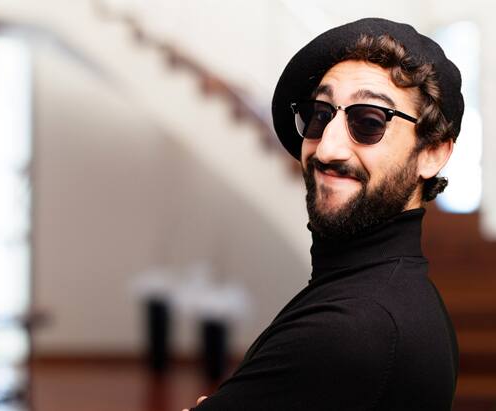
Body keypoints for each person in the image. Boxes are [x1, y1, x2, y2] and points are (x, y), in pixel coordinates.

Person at [185, 17, 463, 411]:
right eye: (320, 114)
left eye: (369, 121)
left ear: (432, 152)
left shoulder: (352, 327)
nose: (327, 148)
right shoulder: (382, 294)